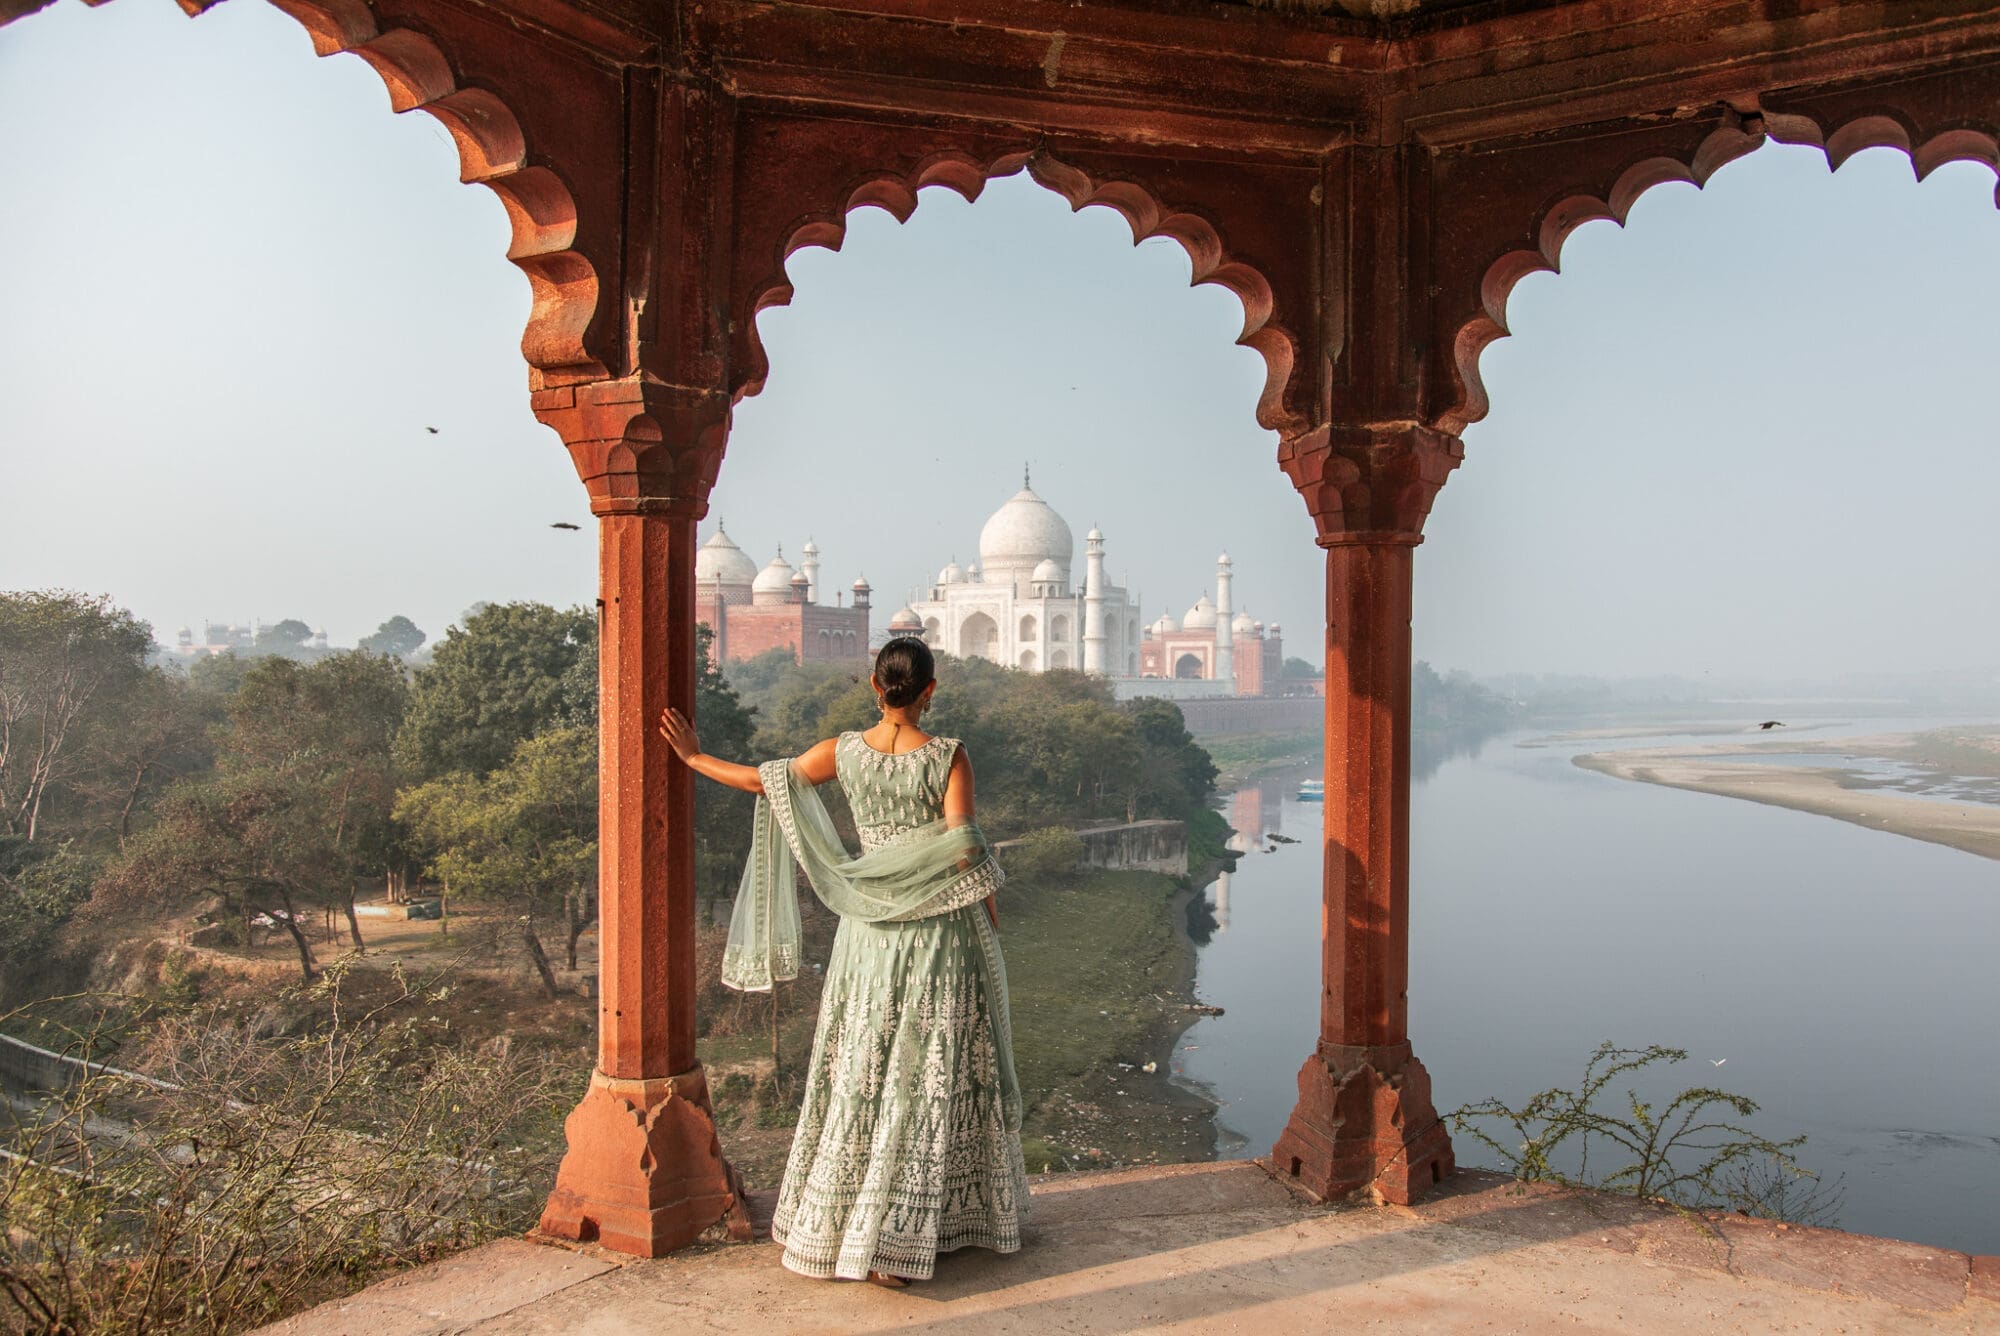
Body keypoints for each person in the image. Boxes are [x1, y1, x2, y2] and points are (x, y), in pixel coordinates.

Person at [658, 636, 1027, 1286]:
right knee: (925, 1073)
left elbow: (762, 781)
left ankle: (862, 1228)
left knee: (869, 1063)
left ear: (873, 686)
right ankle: (913, 1233)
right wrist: (989, 917)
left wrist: (692, 757)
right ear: (930, 690)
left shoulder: (844, 753)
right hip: (939, 934)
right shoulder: (947, 756)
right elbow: (964, 849)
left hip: (868, 937)